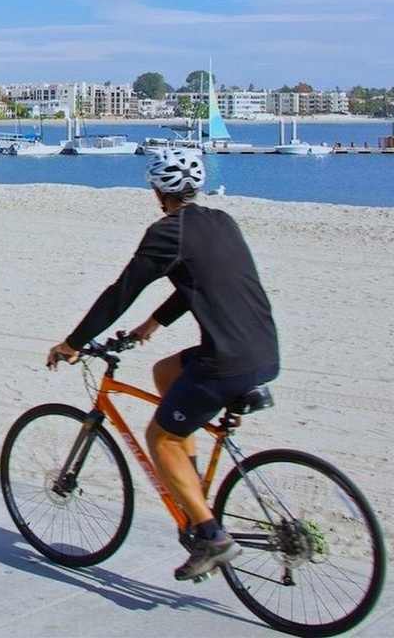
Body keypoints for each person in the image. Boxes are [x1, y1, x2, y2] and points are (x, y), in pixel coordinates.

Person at [45, 146, 279, 582]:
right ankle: (193, 495)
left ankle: (210, 534)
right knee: (165, 374)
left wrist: (73, 342)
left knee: (161, 436)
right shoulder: (223, 222)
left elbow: (121, 293)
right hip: (263, 352)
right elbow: (196, 284)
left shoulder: (166, 233)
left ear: (157, 189)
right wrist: (151, 325)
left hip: (224, 361)